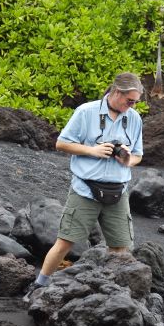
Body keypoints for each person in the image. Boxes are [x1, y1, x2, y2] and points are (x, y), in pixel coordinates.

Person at [27, 72, 145, 295]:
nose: (132, 106)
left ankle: (116, 295)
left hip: (118, 192)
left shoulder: (134, 118)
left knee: (121, 248)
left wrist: (128, 158)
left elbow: (138, 155)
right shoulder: (86, 112)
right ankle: (39, 284)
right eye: (130, 101)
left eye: (135, 102)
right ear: (116, 92)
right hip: (85, 190)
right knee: (65, 242)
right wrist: (93, 151)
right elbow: (61, 143)